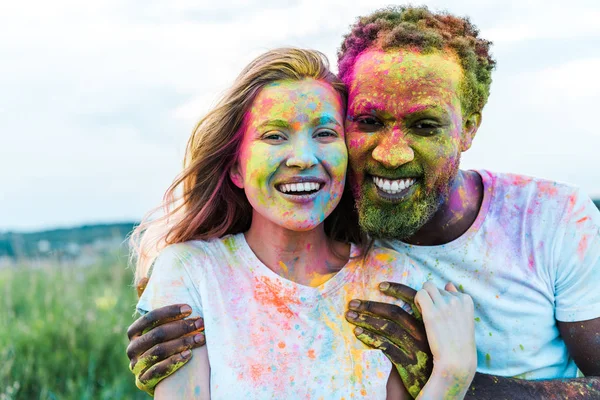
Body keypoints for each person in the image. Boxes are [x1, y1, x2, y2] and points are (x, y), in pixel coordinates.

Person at [127, 6, 600, 398]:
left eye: (425, 125)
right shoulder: (216, 263)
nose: (391, 154)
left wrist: (459, 380)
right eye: (369, 122)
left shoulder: (554, 221)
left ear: (470, 127)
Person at [131, 47, 478, 398]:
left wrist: (452, 375)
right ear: (236, 167)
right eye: (274, 135)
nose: (303, 158)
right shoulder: (191, 272)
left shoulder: (393, 278)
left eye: (325, 133)